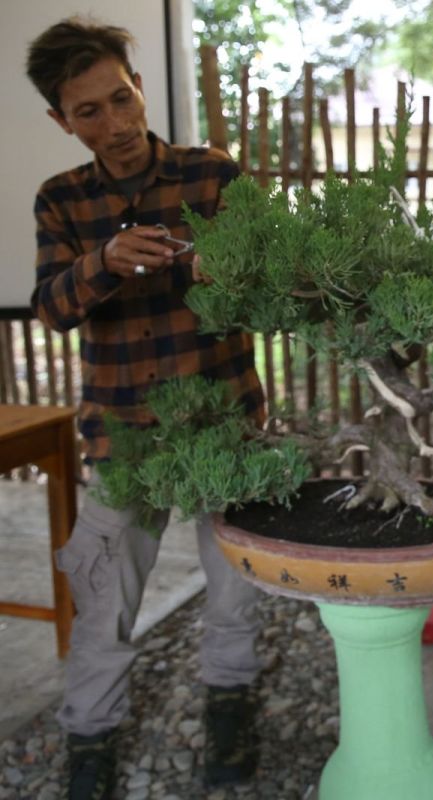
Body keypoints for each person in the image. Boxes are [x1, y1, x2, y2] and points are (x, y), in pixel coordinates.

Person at [25, 19, 265, 799]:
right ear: (62, 121)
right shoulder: (60, 200)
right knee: (101, 606)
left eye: (121, 99)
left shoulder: (213, 176)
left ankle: (230, 720)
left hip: (224, 425)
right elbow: (53, 310)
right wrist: (101, 263)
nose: (115, 124)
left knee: (234, 597)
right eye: (88, 111)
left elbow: (267, 277)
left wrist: (220, 270)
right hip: (121, 438)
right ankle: (90, 744)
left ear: (140, 87)